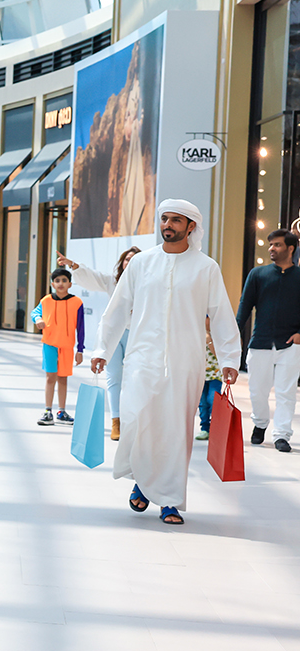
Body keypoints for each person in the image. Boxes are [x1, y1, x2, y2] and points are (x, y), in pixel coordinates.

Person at [91, 200, 240, 526]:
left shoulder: (206, 267)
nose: (168, 224)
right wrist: (102, 350)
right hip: (142, 359)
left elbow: (221, 315)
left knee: (175, 431)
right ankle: (142, 482)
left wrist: (229, 357)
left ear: (191, 227)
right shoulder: (142, 263)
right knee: (138, 421)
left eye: (176, 220)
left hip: (186, 362)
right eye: (164, 218)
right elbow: (117, 309)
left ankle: (170, 500)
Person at [59, 246, 142, 441]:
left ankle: (133, 421)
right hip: (113, 335)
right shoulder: (113, 281)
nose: (129, 262)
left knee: (135, 379)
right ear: (122, 262)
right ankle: (116, 422)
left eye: (134, 259)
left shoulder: (149, 284)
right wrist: (71, 264)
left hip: (137, 335)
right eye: (127, 259)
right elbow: (92, 277)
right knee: (114, 379)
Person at [235, 227, 300, 452]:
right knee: (257, 389)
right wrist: (233, 335)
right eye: (270, 244)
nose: (271, 248)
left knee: (286, 391)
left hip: (290, 345)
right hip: (260, 341)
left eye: (277, 245)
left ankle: (282, 434)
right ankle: (260, 423)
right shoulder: (257, 274)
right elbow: (245, 306)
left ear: (291, 248)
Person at [33, 268, 85, 426]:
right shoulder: (46, 300)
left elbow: (81, 328)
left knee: (63, 379)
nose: (60, 283)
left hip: (67, 346)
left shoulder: (77, 302)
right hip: (49, 344)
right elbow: (34, 313)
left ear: (70, 283)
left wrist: (80, 350)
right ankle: (47, 411)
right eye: (57, 281)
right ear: (52, 284)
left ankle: (61, 411)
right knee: (50, 377)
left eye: (64, 280)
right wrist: (38, 320)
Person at [196, 323, 221, 442]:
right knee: (202, 402)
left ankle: (216, 428)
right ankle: (205, 428)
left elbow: (220, 354)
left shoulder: (219, 334)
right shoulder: (196, 333)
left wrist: (209, 340)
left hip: (215, 373)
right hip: (200, 373)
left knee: (213, 399)